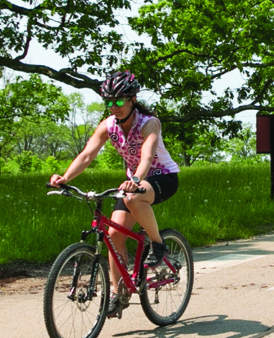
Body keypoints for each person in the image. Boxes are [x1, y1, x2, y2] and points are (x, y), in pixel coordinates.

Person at [50, 70, 180, 318]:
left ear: (133, 99)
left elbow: (147, 156)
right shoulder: (108, 125)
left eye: (119, 101)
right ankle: (118, 293)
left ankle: (158, 243)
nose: (114, 107)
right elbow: (87, 155)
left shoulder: (149, 123)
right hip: (134, 181)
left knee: (133, 197)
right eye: (109, 102)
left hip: (162, 177)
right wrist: (65, 178)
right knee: (114, 234)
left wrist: (134, 179)